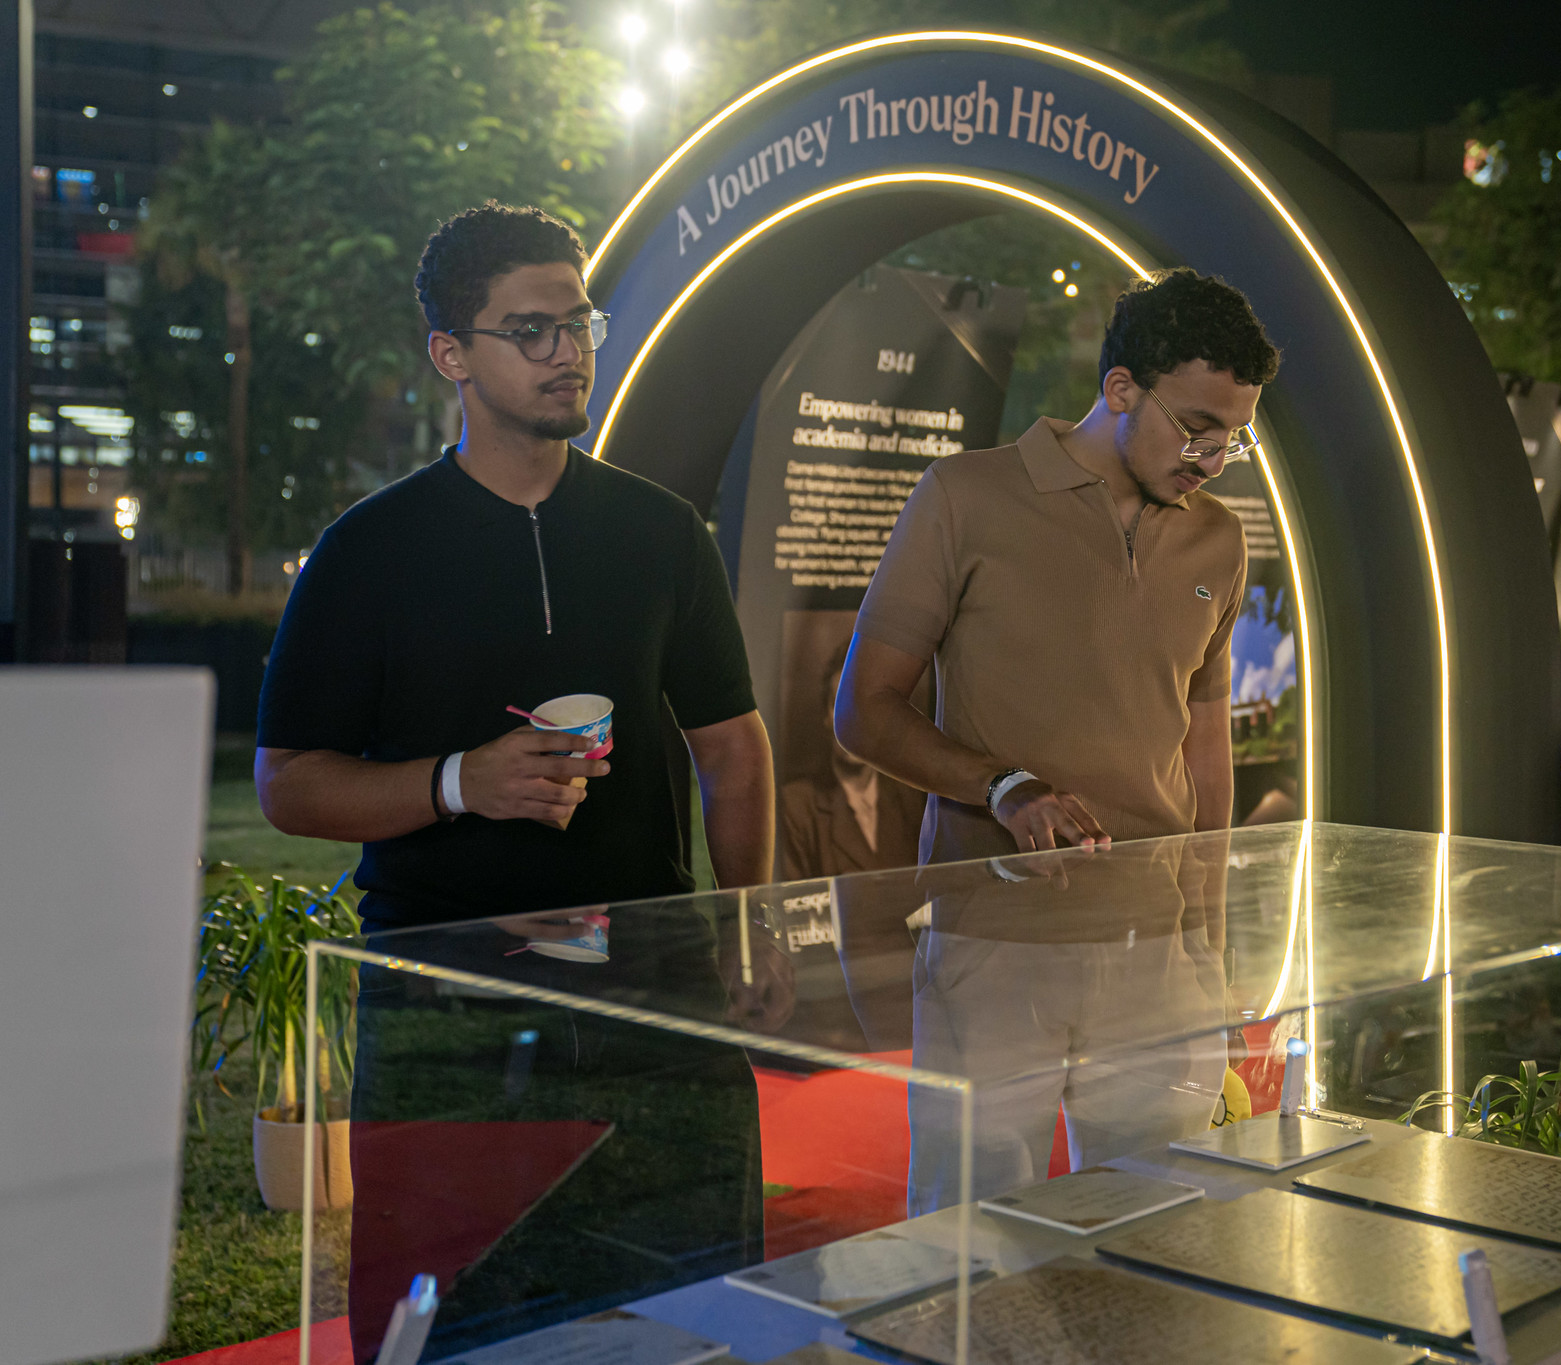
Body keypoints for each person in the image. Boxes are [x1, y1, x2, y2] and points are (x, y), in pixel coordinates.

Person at [252, 201, 775, 1359]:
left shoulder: (660, 532)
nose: (568, 352)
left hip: (650, 990)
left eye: (578, 322)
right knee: (453, 1323)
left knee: (687, 1314)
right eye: (530, 330)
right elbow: (288, 785)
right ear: (451, 355)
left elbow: (733, 750)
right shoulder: (369, 551)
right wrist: (455, 783)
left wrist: (746, 929)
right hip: (446, 1002)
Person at [836, 267, 1281, 862]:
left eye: (1233, 438)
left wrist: (1206, 937)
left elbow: (1206, 754)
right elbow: (864, 710)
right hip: (995, 931)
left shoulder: (1218, 537)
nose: (1215, 463)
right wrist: (1001, 788)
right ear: (1121, 389)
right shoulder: (963, 495)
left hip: (1160, 937)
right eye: (1197, 432)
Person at [779, 642, 925, 880]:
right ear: (826, 717)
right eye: (838, 705)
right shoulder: (796, 808)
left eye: (863, 706)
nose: (851, 720)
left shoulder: (915, 800)